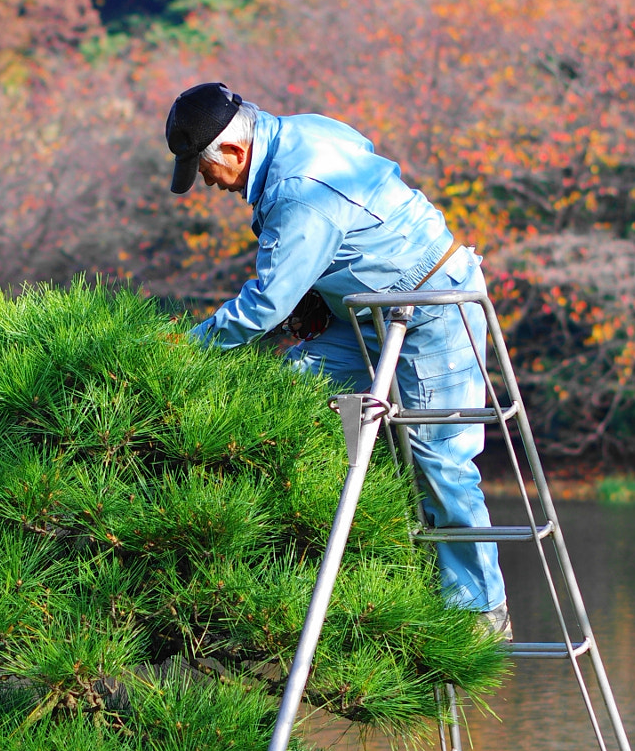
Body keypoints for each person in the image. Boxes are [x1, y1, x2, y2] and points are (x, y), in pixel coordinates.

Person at [168, 80, 510, 637]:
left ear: (232, 151)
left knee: (440, 458)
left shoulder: (299, 189)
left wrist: (190, 348)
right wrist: (319, 294)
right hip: (366, 313)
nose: (207, 182)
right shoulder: (304, 130)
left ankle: (478, 611)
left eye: (204, 169)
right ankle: (363, 523)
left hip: (430, 307)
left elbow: (265, 305)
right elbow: (351, 226)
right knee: (296, 383)